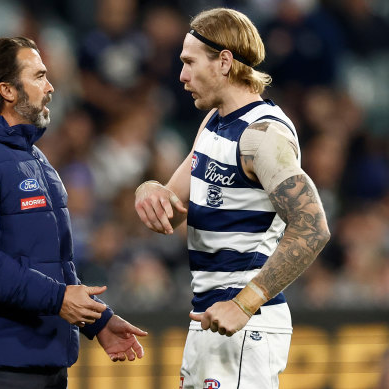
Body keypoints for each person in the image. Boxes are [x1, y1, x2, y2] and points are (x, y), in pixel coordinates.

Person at [0, 37, 147, 389]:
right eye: (39, 76)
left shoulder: (33, 158)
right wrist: (58, 299)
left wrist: (97, 321)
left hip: (41, 361)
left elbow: (52, 263)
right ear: (7, 91)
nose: (51, 86)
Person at [134, 8, 330, 389]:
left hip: (246, 326)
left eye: (189, 62)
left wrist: (245, 303)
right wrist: (149, 190)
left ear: (224, 61)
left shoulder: (262, 136)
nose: (182, 75)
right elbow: (171, 210)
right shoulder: (213, 123)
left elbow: (313, 226)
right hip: (211, 320)